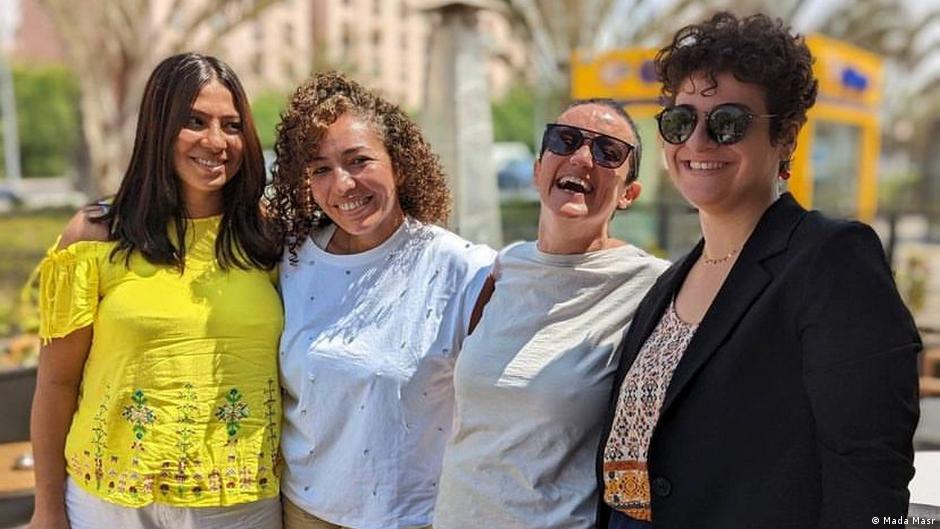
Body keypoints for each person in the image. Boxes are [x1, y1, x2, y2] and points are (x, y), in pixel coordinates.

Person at [597, 12, 921, 529]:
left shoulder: (831, 259)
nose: (699, 142)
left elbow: (869, 468)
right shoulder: (668, 284)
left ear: (786, 138)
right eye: (681, 120)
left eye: (729, 122)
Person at [29, 53, 283, 529]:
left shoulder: (268, 237)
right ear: (157, 127)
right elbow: (56, 383)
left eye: (231, 125)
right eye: (194, 121)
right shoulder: (94, 236)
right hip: (110, 505)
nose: (216, 141)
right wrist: (46, 508)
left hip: (239, 506)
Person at [267, 71, 494, 529]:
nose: (343, 185)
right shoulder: (289, 262)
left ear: (400, 164)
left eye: (358, 161)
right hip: (301, 514)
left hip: (413, 518)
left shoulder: (464, 270)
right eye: (320, 170)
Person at [433, 99, 670, 529]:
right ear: (539, 168)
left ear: (629, 194)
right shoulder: (503, 269)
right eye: (566, 140)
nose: (581, 158)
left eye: (608, 152)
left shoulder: (653, 287)